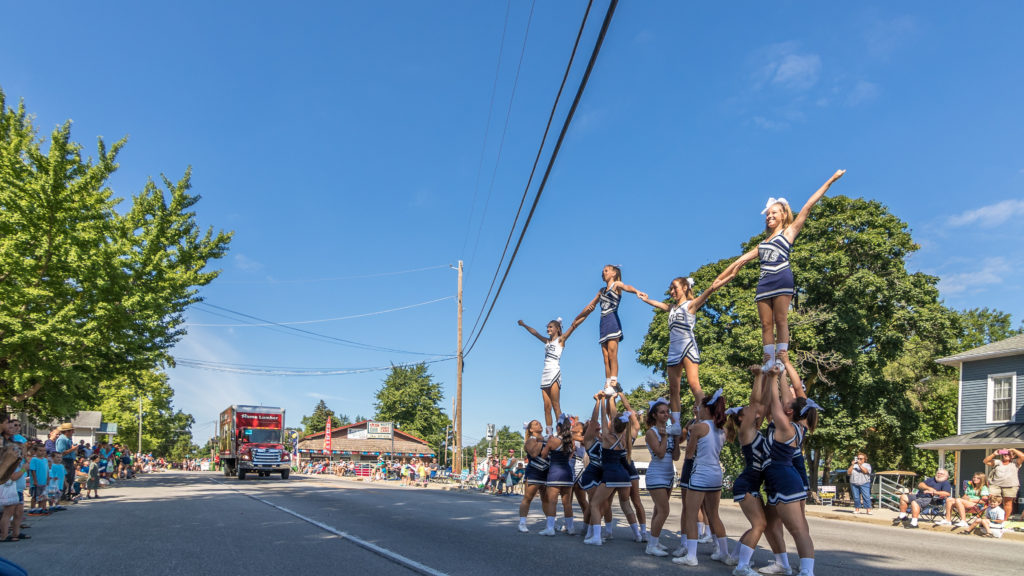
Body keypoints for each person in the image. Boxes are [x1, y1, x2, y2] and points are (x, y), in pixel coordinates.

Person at [716, 170, 846, 370]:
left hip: (782, 278)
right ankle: (768, 359)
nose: (769, 216)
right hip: (764, 282)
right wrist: (718, 280)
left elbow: (808, 205)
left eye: (773, 212)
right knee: (766, 325)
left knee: (781, 319)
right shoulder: (761, 244)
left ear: (784, 215)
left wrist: (831, 180)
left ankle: (781, 358)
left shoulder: (789, 232)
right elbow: (739, 261)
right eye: (767, 214)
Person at [637, 276, 726, 435]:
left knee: (694, 384)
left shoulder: (690, 305)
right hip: (674, 348)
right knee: (673, 389)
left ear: (685, 288)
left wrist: (714, 286)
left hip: (687, 345)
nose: (672, 291)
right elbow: (663, 305)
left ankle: (705, 417)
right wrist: (647, 300)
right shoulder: (672, 308)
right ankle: (676, 424)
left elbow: (707, 292)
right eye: (670, 289)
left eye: (674, 288)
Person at [761, 367, 819, 576]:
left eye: (789, 405)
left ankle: (806, 571)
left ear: (789, 412)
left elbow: (777, 404)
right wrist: (782, 373)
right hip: (777, 480)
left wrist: (772, 378)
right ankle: (782, 563)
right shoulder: (799, 422)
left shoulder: (787, 427)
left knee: (798, 529)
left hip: (785, 480)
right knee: (768, 524)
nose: (786, 402)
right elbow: (786, 399)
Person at [674, 388, 733, 567]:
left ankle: (691, 555)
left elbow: (689, 453)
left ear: (707, 409)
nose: (697, 409)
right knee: (714, 515)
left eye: (700, 407)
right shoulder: (722, 429)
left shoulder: (699, 427)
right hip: (716, 474)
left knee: (691, 514)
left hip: (700, 473)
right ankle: (724, 552)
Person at [726, 365, 776, 576]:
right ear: (741, 418)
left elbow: (762, 404)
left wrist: (768, 377)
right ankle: (742, 567)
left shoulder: (754, 429)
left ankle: (735, 556)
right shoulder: (746, 430)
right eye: (746, 411)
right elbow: (756, 403)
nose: (751, 411)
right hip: (747, 483)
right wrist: (758, 377)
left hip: (753, 483)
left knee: (758, 524)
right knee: (760, 524)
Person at [583, 391, 640, 546]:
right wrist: (617, 399)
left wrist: (602, 401)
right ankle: (638, 535)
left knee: (595, 504)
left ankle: (596, 538)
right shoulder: (626, 438)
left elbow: (603, 417)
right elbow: (632, 423)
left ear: (613, 424)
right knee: (626, 505)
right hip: (625, 476)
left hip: (611, 475)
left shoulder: (607, 437)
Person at [574, 265, 642, 392]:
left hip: (612, 321)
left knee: (612, 354)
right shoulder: (601, 291)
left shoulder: (616, 285)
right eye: (603, 271)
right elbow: (590, 306)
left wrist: (637, 291)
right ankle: (607, 381)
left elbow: (627, 287)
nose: (603, 272)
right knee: (605, 357)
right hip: (603, 323)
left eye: (606, 270)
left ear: (613, 273)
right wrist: (577, 318)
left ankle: (614, 379)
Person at [518, 317, 583, 436]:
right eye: (547, 327)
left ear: (557, 329)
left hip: (554, 371)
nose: (548, 329)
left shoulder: (561, 340)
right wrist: (524, 325)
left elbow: (574, 326)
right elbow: (535, 333)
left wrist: (584, 315)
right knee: (546, 407)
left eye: (550, 327)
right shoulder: (547, 342)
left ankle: (562, 433)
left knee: (555, 404)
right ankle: (549, 434)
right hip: (545, 373)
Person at [643, 397, 679, 556]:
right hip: (656, 474)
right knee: (664, 511)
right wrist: (664, 436)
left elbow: (676, 456)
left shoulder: (670, 431)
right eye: (662, 412)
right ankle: (651, 546)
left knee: (658, 511)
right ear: (655, 415)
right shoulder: (652, 432)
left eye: (667, 412)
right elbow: (659, 453)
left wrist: (675, 437)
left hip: (669, 475)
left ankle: (654, 542)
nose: (666, 415)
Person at [539, 415, 576, 536]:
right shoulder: (571, 441)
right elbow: (570, 456)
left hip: (555, 473)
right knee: (567, 503)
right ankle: (571, 528)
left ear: (558, 428)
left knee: (552, 502)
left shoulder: (552, 440)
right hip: (567, 474)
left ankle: (550, 528)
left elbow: (543, 455)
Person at [517, 420, 550, 533]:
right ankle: (522, 523)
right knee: (528, 498)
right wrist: (540, 441)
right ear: (530, 429)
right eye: (536, 424)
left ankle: (550, 524)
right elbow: (534, 453)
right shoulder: (530, 440)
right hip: (534, 472)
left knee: (546, 499)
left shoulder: (546, 439)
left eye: (540, 423)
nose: (539, 424)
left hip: (546, 472)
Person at [982, 448, 1022, 522]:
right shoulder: (998, 462)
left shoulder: (1015, 462)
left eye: (1008, 454)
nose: (1006, 455)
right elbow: (985, 461)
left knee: (1008, 502)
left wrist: (1013, 449)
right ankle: (990, 518)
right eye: (1004, 454)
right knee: (991, 499)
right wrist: (994, 454)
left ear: (1012, 456)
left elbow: (1022, 456)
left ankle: (1004, 520)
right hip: (995, 485)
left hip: (1010, 485)